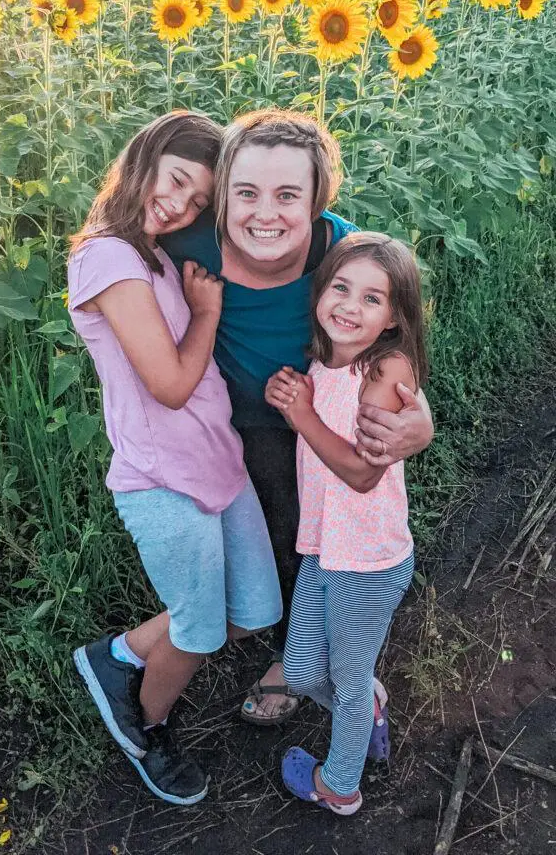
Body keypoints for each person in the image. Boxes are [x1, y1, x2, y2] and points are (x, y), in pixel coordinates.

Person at [161, 108, 434, 724]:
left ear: (317, 202)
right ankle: (296, 632)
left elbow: (395, 339)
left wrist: (423, 422)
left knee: (329, 527)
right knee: (281, 526)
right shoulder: (189, 245)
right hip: (241, 418)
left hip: (332, 413)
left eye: (289, 195)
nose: (265, 214)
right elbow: (122, 238)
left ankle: (316, 655)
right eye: (246, 193)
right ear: (220, 196)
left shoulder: (343, 252)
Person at [67, 112, 282, 806]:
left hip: (219, 464)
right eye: (179, 181)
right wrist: (209, 316)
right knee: (198, 629)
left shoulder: (154, 254)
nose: (181, 206)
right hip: (160, 479)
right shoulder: (105, 256)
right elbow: (167, 384)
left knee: (253, 611)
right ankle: (145, 731)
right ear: (148, 156)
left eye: (197, 201)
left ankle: (119, 656)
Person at [265, 232, 428, 815]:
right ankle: (368, 711)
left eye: (372, 298)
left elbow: (361, 474)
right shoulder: (324, 359)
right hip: (323, 548)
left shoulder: (388, 367)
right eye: (341, 287)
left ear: (393, 317)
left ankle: (341, 787)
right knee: (305, 670)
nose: (349, 306)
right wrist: (297, 398)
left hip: (369, 559)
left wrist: (300, 412)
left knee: (349, 674)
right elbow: (320, 436)